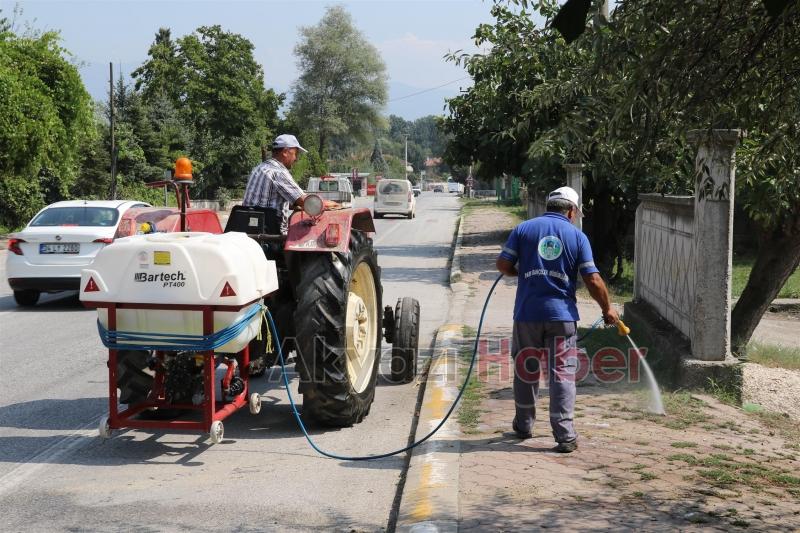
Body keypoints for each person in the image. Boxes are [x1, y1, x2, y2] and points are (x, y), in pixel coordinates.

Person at [496, 186, 619, 453]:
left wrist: (522, 273)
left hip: (527, 314)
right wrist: (607, 308)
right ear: (572, 211)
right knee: (561, 373)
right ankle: (564, 435)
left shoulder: (523, 229)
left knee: (526, 370)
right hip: (562, 316)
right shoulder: (577, 237)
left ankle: (523, 425)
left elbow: (503, 265)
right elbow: (592, 279)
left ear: (548, 207)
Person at [242, 134, 308, 235]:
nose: (296, 158)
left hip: (247, 227)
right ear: (285, 152)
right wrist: (326, 204)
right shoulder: (278, 172)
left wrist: (294, 205)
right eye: (295, 153)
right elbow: (306, 202)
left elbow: (263, 202)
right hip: (271, 232)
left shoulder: (258, 168)